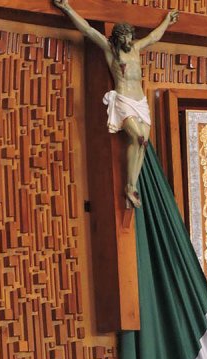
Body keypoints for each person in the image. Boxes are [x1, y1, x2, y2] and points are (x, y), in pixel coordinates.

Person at [52, 0, 179, 208]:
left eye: (128, 35)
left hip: (140, 101)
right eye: (122, 36)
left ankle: (132, 184)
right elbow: (87, 29)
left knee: (143, 143)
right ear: (117, 38)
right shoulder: (110, 49)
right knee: (137, 137)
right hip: (124, 100)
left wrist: (167, 21)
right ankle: (129, 186)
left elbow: (154, 36)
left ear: (131, 35)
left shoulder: (136, 48)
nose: (126, 39)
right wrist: (66, 7)